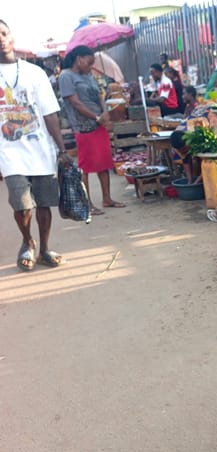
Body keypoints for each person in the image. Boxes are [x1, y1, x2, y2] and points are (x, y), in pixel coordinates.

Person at [0, 19, 68, 271]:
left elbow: (50, 114)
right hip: (8, 153)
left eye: (4, 33)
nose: (1, 39)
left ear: (12, 37)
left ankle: (45, 247)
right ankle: (27, 241)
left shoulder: (34, 73)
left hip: (41, 150)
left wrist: (62, 149)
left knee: (44, 203)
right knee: (21, 203)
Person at [58, 45, 124, 215]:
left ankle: (107, 198)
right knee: (85, 167)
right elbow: (75, 102)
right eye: (89, 62)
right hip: (83, 126)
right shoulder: (66, 76)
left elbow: (99, 96)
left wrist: (104, 113)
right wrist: (96, 117)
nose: (90, 66)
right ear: (79, 59)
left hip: (98, 124)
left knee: (104, 162)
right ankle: (86, 203)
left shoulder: (88, 75)